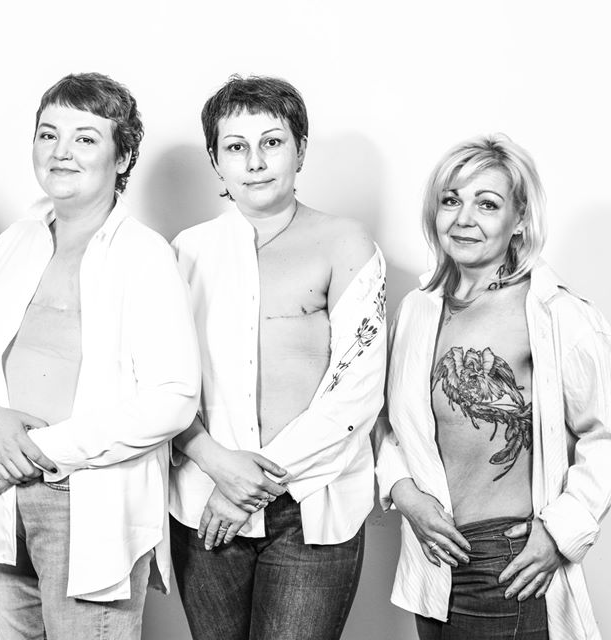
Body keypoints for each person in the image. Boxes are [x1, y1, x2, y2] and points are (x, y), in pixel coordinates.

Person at [0, 72, 200, 640]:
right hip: (4, 495)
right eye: (48, 134)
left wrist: (37, 450)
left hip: (86, 500)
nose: (61, 152)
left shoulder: (144, 255)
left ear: (122, 156)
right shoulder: (16, 240)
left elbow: (174, 398)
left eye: (85, 138)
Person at [375, 133, 611, 639]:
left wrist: (560, 532)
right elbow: (389, 423)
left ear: (519, 219)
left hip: (504, 560)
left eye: (487, 204)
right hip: (429, 561)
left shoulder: (555, 313)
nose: (463, 218)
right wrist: (403, 492)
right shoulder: (417, 310)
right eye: (451, 200)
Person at [168, 75, 387, 640]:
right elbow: (160, 382)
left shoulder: (344, 242)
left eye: (272, 142)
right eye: (235, 146)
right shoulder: (187, 251)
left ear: (300, 149)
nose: (255, 162)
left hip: (310, 503)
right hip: (205, 498)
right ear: (216, 160)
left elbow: (358, 389)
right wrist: (220, 467)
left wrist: (253, 485)